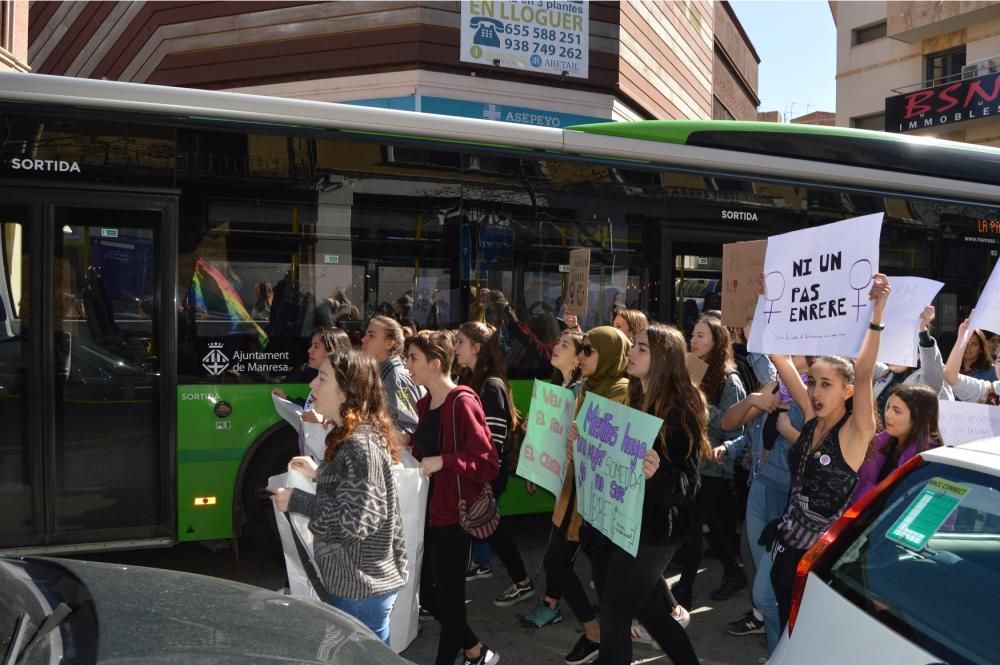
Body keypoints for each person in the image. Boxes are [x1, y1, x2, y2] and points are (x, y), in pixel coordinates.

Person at [768, 273, 891, 631]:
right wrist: (767, 302)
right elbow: (779, 357)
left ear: (848, 391)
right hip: (786, 547)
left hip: (821, 564)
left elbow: (865, 371)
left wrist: (877, 309)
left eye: (826, 384)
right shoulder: (811, 418)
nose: (816, 391)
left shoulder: (856, 432)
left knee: (804, 633)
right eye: (812, 382)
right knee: (773, 608)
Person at [268, 350, 407, 644]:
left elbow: (354, 521)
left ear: (346, 390)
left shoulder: (359, 445)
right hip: (357, 582)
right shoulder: (351, 437)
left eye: (322, 378)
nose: (312, 386)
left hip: (359, 586)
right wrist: (319, 473)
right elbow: (358, 492)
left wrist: (297, 501)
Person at [587, 323, 706, 665]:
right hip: (623, 521)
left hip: (654, 532)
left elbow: (689, 483)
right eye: (633, 345)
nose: (631, 353)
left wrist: (659, 474)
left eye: (641, 348)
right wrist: (586, 448)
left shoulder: (679, 412)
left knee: (614, 617)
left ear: (663, 360)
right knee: (651, 613)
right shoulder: (636, 396)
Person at [406, 330, 501, 665]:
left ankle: (462, 657)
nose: (408, 365)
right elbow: (427, 449)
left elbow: (488, 463)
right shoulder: (424, 403)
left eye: (413, 358)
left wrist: (445, 461)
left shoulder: (463, 401)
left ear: (434, 364)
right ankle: (475, 651)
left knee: (448, 598)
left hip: (455, 514)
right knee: (434, 595)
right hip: (430, 510)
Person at [553, 326, 632, 665]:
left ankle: (603, 637)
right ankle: (596, 633)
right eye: (581, 349)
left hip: (599, 502)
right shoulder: (587, 388)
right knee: (557, 564)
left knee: (603, 579)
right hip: (575, 492)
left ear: (610, 355)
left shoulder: (623, 392)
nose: (582, 356)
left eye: (589, 350)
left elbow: (616, 451)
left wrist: (581, 441)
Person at [453, 321, 535, 606]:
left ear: (477, 346)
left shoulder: (491, 384)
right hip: (476, 471)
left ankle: (521, 582)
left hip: (486, 472)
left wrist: (477, 475)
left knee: (483, 525)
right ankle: (520, 581)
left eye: (460, 341)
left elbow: (493, 438)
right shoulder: (470, 378)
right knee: (489, 527)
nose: (455, 348)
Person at [672, 315, 747, 608]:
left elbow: (734, 426)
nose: (694, 340)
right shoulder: (692, 368)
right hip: (690, 458)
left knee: (691, 527)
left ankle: (685, 590)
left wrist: (699, 402)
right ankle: (733, 569)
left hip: (713, 464)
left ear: (717, 342)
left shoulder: (731, 380)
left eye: (702, 336)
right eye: (693, 334)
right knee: (707, 521)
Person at [519, 329, 586, 630]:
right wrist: (536, 467)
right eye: (557, 341)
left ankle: (558, 605)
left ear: (578, 355)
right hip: (565, 484)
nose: (555, 347)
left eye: (564, 345)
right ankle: (553, 601)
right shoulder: (560, 386)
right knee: (562, 549)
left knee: (561, 550)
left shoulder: (582, 390)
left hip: (578, 487)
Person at [853, 384, 943, 502]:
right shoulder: (877, 442)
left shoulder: (929, 461)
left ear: (918, 417)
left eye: (897, 411)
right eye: (888, 407)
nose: (887, 414)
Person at [361, 315, 420, 442]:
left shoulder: (398, 379)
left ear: (389, 343)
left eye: (371, 335)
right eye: (366, 334)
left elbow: (410, 425)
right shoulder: (377, 373)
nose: (363, 339)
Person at [944, 312, 1000, 404]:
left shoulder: (991, 371)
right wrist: (961, 337)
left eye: (974, 344)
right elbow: (950, 376)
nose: (968, 347)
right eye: (999, 361)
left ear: (981, 349)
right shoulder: (990, 390)